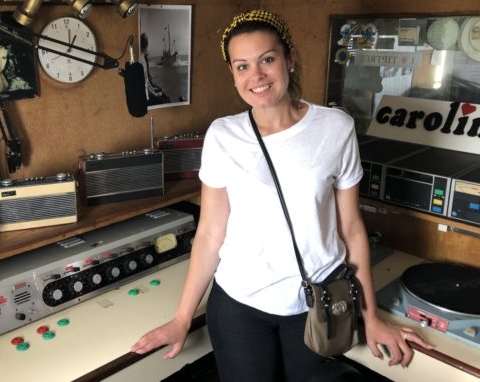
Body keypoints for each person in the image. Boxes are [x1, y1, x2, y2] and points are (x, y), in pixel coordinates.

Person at [131, 10, 433, 381]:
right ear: (233, 74)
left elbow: (351, 228)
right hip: (240, 306)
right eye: (242, 66)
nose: (255, 76)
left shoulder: (336, 127)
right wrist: (181, 319)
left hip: (316, 303)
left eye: (267, 60)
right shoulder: (223, 136)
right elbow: (210, 233)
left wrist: (371, 317)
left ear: (289, 59)